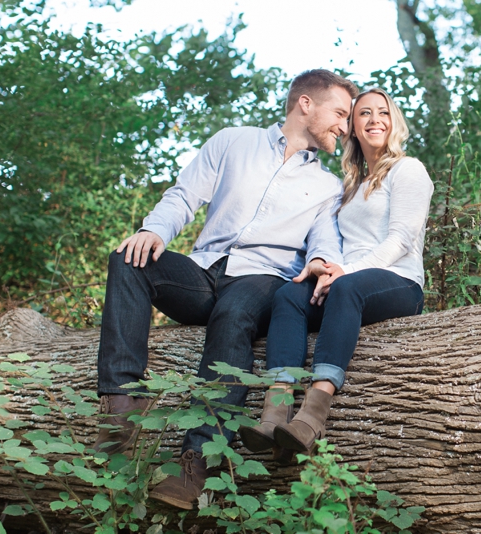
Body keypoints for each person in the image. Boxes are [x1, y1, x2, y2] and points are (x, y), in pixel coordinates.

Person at [93, 69, 359, 510]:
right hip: (203, 270)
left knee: (234, 315)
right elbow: (184, 196)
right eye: (340, 113)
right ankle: (120, 413)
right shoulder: (234, 140)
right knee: (128, 259)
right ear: (306, 104)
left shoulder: (328, 186)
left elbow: (325, 238)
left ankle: (197, 460)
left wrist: (319, 262)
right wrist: (154, 230)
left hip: (263, 277)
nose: (345, 127)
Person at [238, 88, 433, 457]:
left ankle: (312, 416)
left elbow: (402, 240)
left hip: (398, 281)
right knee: (289, 296)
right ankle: (275, 412)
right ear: (353, 129)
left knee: (347, 290)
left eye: (383, 112)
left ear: (394, 123)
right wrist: (323, 268)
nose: (375, 120)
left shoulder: (408, 170)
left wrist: (344, 272)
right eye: (364, 114)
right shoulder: (350, 185)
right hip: (347, 279)